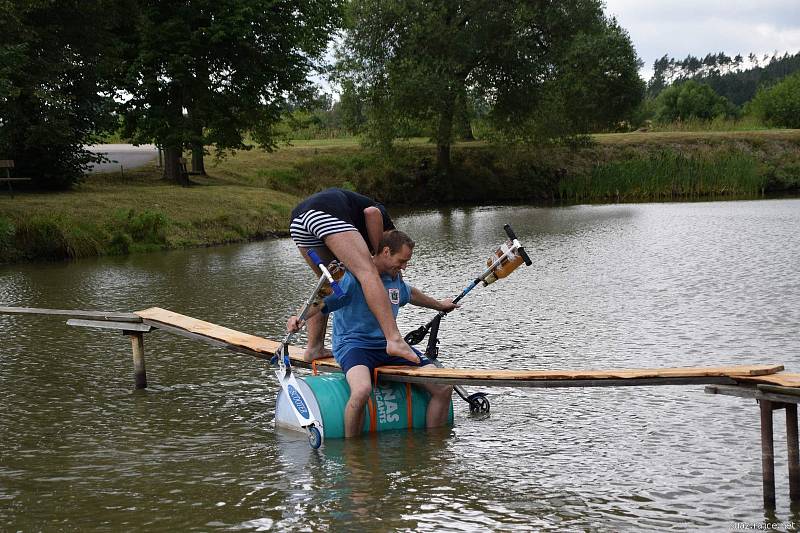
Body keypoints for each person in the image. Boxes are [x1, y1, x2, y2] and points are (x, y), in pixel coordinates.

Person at [287, 230, 458, 438]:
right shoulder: (352, 278)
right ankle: (354, 455)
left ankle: (433, 449)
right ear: (386, 252)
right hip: (354, 346)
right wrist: (299, 318)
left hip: (388, 346)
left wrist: (440, 305)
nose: (404, 267)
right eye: (402, 260)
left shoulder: (395, 280)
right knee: (361, 392)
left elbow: (411, 293)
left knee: (443, 387)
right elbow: (319, 301)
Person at [289, 188, 418, 363]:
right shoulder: (387, 227)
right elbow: (372, 213)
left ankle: (314, 348)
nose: (403, 267)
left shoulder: (352, 218)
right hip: (324, 213)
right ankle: (394, 339)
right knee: (369, 273)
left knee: (329, 285)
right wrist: (375, 259)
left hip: (298, 221)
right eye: (401, 261)